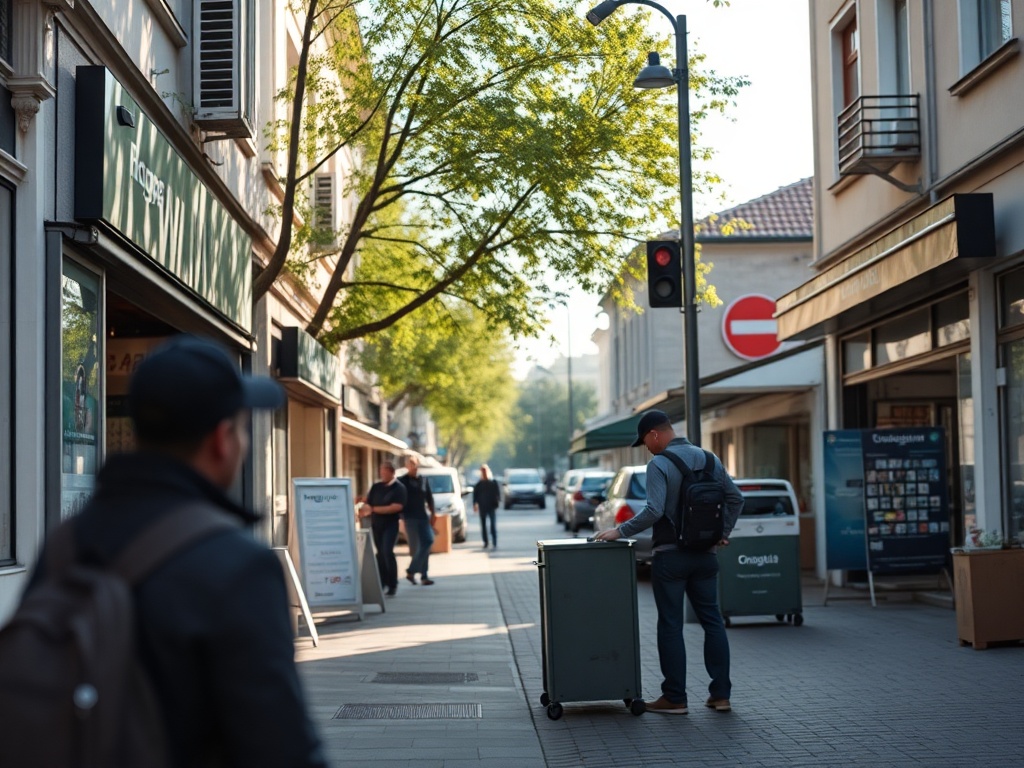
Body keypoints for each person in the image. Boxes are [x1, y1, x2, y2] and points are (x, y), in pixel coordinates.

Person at [23, 335, 327, 767]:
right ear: (222, 440)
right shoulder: (240, 566)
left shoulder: (66, 542)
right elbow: (281, 747)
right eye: (242, 429)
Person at [594, 409, 743, 716]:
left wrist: (618, 531)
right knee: (712, 622)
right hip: (706, 556)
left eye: (646, 441)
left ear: (656, 435)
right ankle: (721, 695)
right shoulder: (711, 459)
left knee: (671, 626)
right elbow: (736, 498)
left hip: (671, 558)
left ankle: (675, 697)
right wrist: (721, 533)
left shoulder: (659, 464)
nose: (647, 447)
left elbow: (653, 511)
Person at [357, 461, 407, 596]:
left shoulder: (399, 488)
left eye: (385, 472)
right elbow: (368, 502)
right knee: (379, 553)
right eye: (381, 472)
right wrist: (363, 506)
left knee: (387, 551)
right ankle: (382, 582)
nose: (382, 474)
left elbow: (396, 507)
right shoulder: (376, 487)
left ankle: (393, 583)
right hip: (376, 525)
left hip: (390, 525)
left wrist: (374, 509)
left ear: (392, 472)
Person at [399, 456, 436, 585]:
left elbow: (430, 498)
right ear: (406, 466)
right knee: (416, 548)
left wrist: (433, 513)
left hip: (423, 517)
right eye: (410, 464)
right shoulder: (402, 481)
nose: (413, 467)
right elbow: (399, 501)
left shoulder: (423, 480)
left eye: (415, 464)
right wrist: (401, 520)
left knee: (428, 542)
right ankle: (423, 576)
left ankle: (412, 571)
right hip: (409, 518)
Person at [473, 464, 501, 549]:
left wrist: (497, 502)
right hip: (483, 506)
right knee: (483, 525)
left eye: (485, 471)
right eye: (482, 471)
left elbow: (497, 494)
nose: (484, 473)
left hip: (491, 506)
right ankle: (485, 541)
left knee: (492, 525)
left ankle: (494, 541)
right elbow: (475, 496)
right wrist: (475, 505)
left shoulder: (493, 483)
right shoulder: (479, 485)